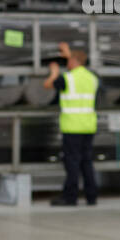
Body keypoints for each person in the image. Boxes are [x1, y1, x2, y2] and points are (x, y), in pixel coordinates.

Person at [43, 41, 99, 207]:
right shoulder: (92, 77)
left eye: (68, 60)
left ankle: (70, 197)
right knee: (87, 162)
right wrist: (69, 54)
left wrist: (54, 72)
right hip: (89, 126)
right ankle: (91, 197)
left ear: (74, 62)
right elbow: (78, 62)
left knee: (72, 164)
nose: (67, 63)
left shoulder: (67, 78)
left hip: (72, 127)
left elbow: (47, 85)